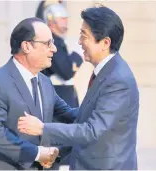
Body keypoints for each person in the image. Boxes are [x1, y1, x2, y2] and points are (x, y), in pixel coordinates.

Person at [18, 6, 139, 170]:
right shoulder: (107, 71)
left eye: (84, 36)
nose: (79, 42)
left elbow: (91, 131)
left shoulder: (118, 80)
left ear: (105, 43)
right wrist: (58, 152)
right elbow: (85, 117)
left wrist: (42, 128)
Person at [0, 17, 78, 170]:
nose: (54, 49)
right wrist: (37, 153)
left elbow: (68, 115)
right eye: (47, 43)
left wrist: (103, 108)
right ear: (26, 46)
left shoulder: (45, 82)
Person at [42, 3, 83, 109]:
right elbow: (67, 72)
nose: (66, 21)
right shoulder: (51, 42)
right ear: (51, 21)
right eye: (62, 18)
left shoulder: (59, 41)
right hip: (58, 95)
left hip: (62, 95)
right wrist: (77, 55)